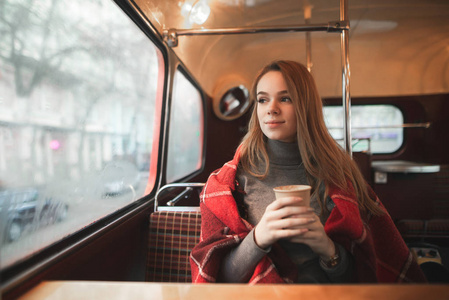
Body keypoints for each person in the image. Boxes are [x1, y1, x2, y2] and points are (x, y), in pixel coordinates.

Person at [190, 60, 426, 284]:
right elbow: (218, 281)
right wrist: (258, 238)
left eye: (285, 98)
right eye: (263, 100)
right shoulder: (229, 182)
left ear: (305, 106)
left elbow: (366, 277)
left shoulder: (341, 177)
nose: (271, 109)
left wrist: (327, 249)